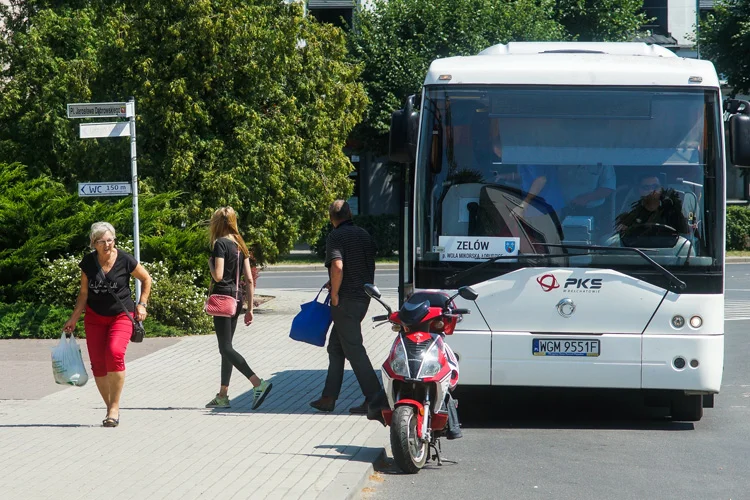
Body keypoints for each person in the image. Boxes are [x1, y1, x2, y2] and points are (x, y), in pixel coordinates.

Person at [63, 222, 152, 427]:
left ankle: (114, 407)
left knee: (114, 353)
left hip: (121, 314)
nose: (107, 245)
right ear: (93, 243)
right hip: (94, 317)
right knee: (98, 364)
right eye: (102, 241)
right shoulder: (88, 262)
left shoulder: (125, 260)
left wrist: (142, 304)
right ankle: (111, 409)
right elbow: (83, 293)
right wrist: (74, 317)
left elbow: (146, 279)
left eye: (110, 240)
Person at [309, 200, 381, 414]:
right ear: (350, 214)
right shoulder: (364, 235)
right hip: (363, 298)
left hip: (346, 300)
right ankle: (328, 398)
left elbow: (338, 267)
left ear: (332, 218)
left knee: (355, 350)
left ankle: (376, 400)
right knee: (336, 347)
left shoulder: (336, 236)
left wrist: (334, 293)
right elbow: (361, 266)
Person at [205, 207, 272, 410]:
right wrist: (250, 308)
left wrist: (210, 264)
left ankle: (258, 383)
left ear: (217, 223)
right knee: (227, 346)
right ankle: (223, 395)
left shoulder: (220, 244)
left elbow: (217, 275)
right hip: (236, 299)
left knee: (225, 348)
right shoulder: (239, 245)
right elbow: (249, 280)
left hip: (222, 298)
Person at [615, 174, 690, 236]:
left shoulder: (672, 212)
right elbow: (620, 237)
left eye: (655, 187)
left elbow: (685, 235)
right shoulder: (631, 215)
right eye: (646, 187)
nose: (651, 190)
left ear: (661, 189)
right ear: (639, 190)